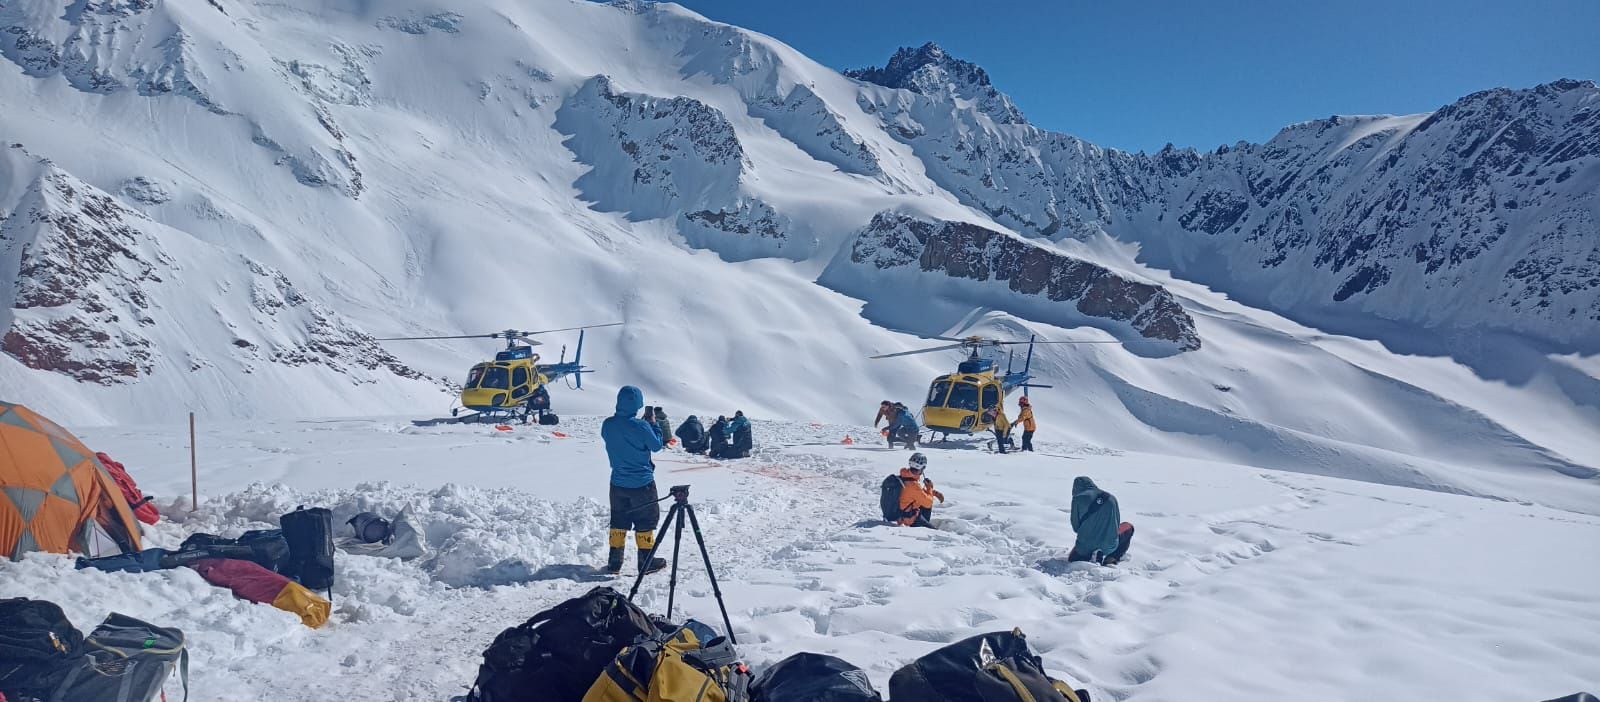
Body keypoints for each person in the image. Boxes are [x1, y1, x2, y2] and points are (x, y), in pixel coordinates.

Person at [599, 386, 668, 575]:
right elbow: (656, 446)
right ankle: (646, 561)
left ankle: (615, 562)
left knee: (618, 522)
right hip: (642, 483)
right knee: (645, 522)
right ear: (637, 404)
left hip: (618, 483)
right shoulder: (642, 426)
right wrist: (653, 425)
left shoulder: (608, 424)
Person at [1067, 476, 1134, 566]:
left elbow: (1076, 527)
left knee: (1072, 558)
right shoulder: (1111, 498)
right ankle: (1111, 558)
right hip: (1109, 546)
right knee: (1128, 526)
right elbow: (1116, 524)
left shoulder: (1077, 499)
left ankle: (1088, 556)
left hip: (1084, 547)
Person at [897, 452, 944, 528]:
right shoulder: (913, 485)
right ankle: (921, 529)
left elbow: (917, 495)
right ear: (922, 468)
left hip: (900, 513)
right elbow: (928, 503)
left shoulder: (903, 477)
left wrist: (933, 493)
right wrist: (930, 488)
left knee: (922, 503)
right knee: (933, 531)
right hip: (908, 519)